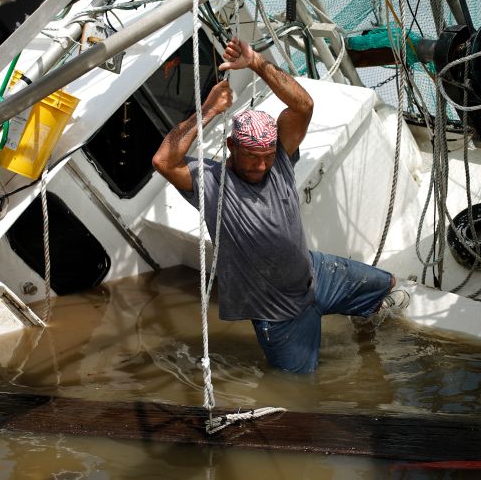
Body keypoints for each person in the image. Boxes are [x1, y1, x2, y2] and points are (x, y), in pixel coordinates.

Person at [152, 37, 409, 374]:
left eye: (267, 157)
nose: (261, 167)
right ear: (231, 146)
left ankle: (367, 337)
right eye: (251, 158)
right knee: (297, 389)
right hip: (278, 314)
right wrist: (209, 110)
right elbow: (163, 160)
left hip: (315, 276)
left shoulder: (280, 161)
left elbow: (303, 106)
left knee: (387, 286)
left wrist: (258, 63)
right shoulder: (210, 183)